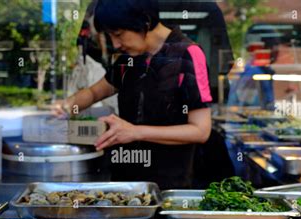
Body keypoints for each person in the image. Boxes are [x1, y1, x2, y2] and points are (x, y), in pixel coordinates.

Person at [52, 0, 212, 189]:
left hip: (168, 185)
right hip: (124, 183)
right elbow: (95, 92)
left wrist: (135, 132)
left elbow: (201, 131)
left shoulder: (188, 54)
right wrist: (68, 106)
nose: (115, 44)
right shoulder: (127, 60)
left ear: (145, 21)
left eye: (119, 34)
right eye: (110, 36)